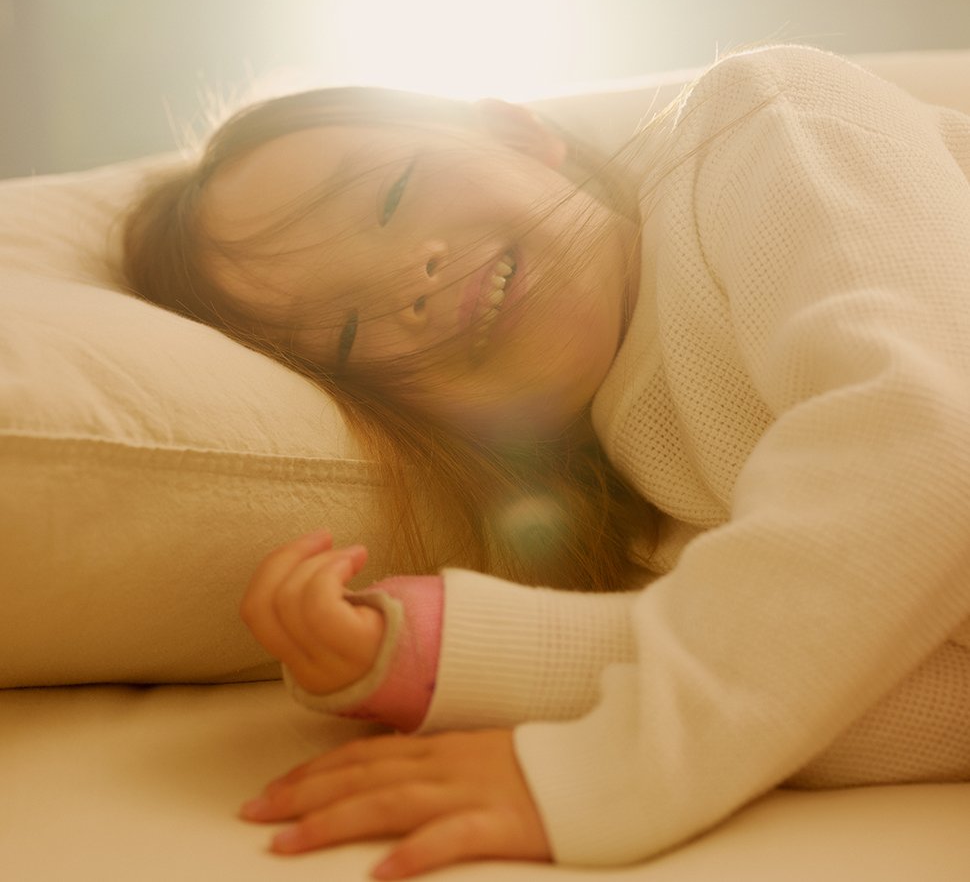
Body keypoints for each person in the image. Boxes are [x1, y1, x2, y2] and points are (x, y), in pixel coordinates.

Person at [123, 44, 970, 880]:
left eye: (391, 195)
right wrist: (438, 653)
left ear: (512, 129)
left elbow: (921, 435)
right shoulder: (643, 510)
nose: (408, 280)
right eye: (346, 331)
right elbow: (886, 679)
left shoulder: (756, 123)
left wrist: (608, 770)